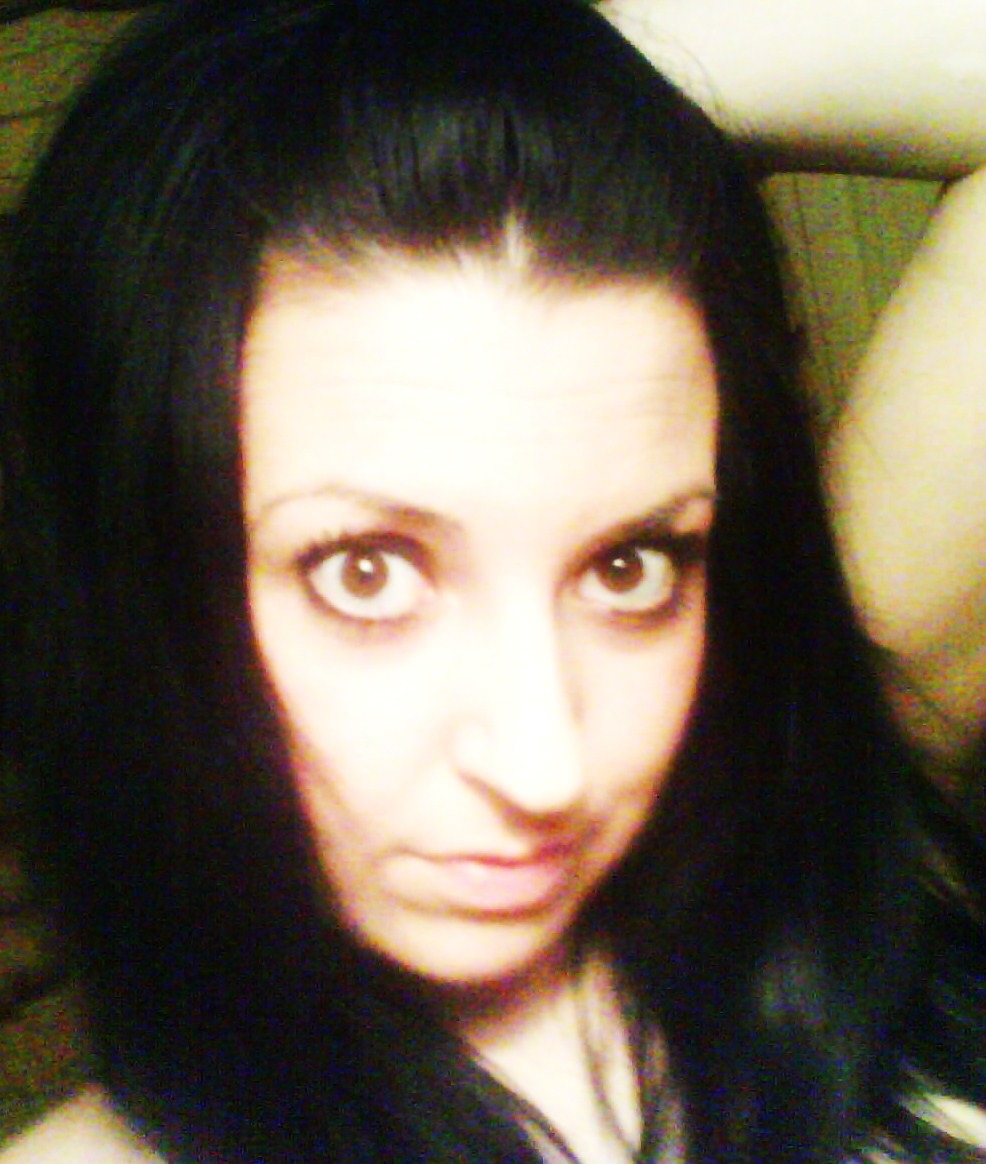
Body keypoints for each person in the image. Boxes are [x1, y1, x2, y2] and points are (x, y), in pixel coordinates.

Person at [0, 1, 981, 1161]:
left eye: (627, 566)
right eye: (365, 574)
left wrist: (538, 56)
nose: (546, 768)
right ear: (134, 580)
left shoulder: (836, 858)